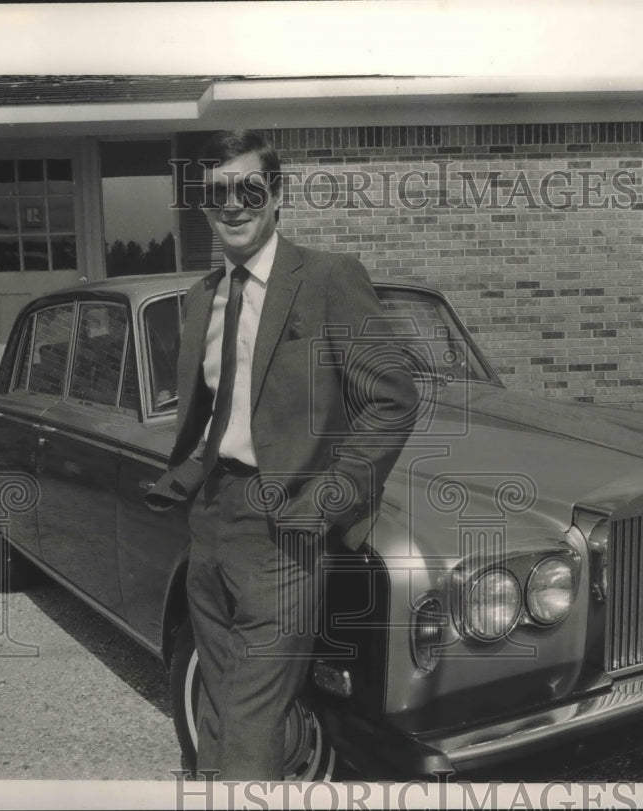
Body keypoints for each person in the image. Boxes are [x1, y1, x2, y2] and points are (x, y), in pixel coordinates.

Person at [145, 130, 419, 779]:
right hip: (210, 522)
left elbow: (393, 397)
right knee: (218, 692)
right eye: (217, 193)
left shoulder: (327, 280)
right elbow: (219, 413)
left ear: (277, 196)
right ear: (203, 204)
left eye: (249, 189)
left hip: (284, 531)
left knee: (253, 709)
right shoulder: (201, 298)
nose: (232, 205)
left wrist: (330, 497)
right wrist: (185, 477)